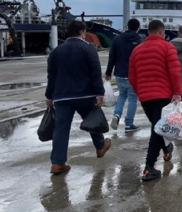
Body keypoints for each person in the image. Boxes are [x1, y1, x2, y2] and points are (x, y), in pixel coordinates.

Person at [44, 20, 111, 175]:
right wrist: (100, 94)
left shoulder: (56, 52)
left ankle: (57, 162)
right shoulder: (87, 49)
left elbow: (51, 76)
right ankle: (100, 147)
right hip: (85, 94)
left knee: (61, 129)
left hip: (61, 97)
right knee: (92, 121)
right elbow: (95, 73)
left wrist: (49, 96)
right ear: (82, 32)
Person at [129, 20, 182, 181]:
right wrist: (177, 92)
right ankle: (149, 167)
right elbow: (174, 72)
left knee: (157, 127)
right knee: (157, 130)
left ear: (148, 33)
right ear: (161, 32)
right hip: (163, 95)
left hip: (145, 96)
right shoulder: (167, 47)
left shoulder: (136, 50)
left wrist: (140, 92)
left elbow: (132, 76)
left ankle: (166, 150)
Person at [104, 18, 142, 132]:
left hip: (119, 73)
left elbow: (112, 57)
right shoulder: (139, 40)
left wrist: (108, 73)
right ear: (138, 28)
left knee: (122, 95)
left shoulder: (117, 39)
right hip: (133, 74)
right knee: (132, 98)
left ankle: (116, 115)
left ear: (127, 27)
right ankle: (129, 123)